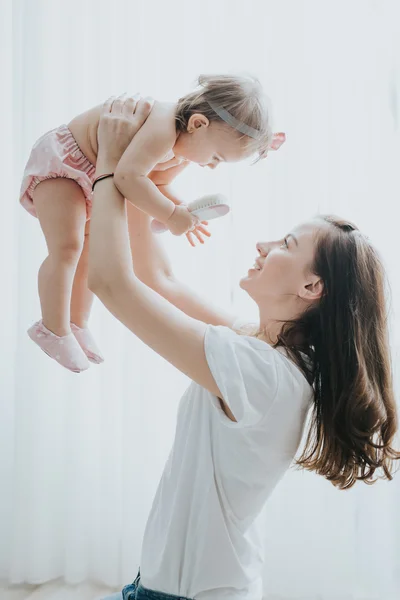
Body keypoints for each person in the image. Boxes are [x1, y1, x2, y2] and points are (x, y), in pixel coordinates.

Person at [90, 96, 400, 600]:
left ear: (312, 288)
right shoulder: (264, 349)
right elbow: (158, 278)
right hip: (173, 586)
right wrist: (146, 182)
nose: (262, 246)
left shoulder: (261, 372)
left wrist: (108, 166)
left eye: (285, 245)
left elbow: (111, 283)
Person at [20, 74, 284, 373]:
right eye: (215, 157)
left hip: (94, 178)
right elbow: (128, 178)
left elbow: (154, 184)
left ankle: (77, 323)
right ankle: (52, 329)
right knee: (67, 248)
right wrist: (170, 215)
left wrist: (182, 211)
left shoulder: (182, 153)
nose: (211, 166)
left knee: (87, 254)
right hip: (65, 166)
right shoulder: (162, 125)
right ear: (198, 124)